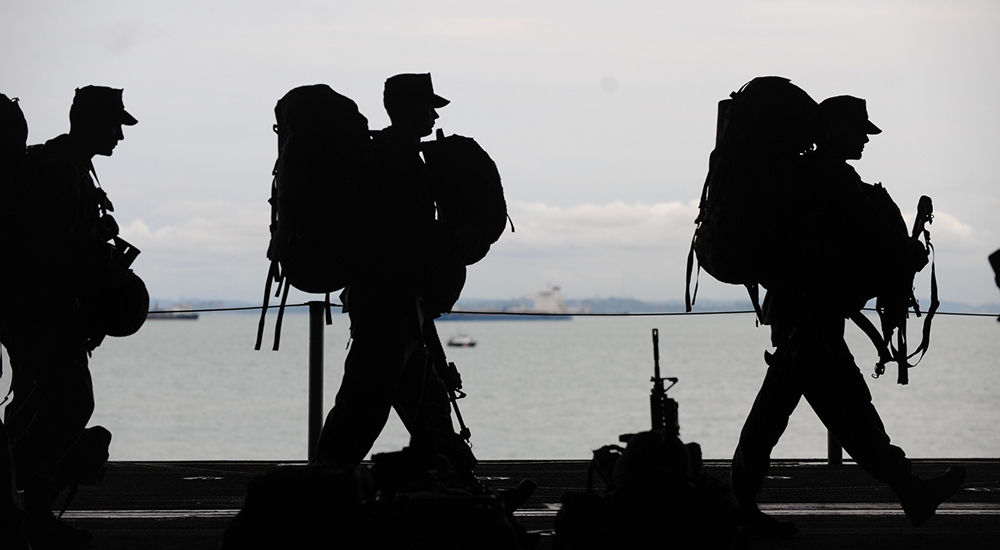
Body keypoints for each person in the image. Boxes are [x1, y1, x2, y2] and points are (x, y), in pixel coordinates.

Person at [730, 95, 966, 538]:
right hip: (810, 317)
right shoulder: (830, 178)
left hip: (801, 314)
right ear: (831, 129)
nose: (864, 138)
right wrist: (912, 252)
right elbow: (874, 242)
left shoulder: (809, 176)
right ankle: (910, 490)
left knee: (794, 415)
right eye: (858, 130)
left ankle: (740, 502)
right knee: (848, 415)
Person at [314, 74, 477, 486]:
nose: (435, 113)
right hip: (389, 306)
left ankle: (464, 486)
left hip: (400, 307)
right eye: (428, 105)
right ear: (406, 109)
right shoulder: (395, 161)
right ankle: (321, 492)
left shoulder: (394, 156)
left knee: (429, 407)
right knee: (364, 408)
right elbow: (402, 236)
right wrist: (446, 242)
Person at [1, 85, 138, 547]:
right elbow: (51, 251)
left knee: (39, 407)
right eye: (114, 123)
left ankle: (27, 512)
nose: (120, 134)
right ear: (89, 122)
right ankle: (31, 511)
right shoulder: (62, 170)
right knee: (70, 403)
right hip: (43, 311)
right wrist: (104, 272)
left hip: (44, 311)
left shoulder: (74, 167)